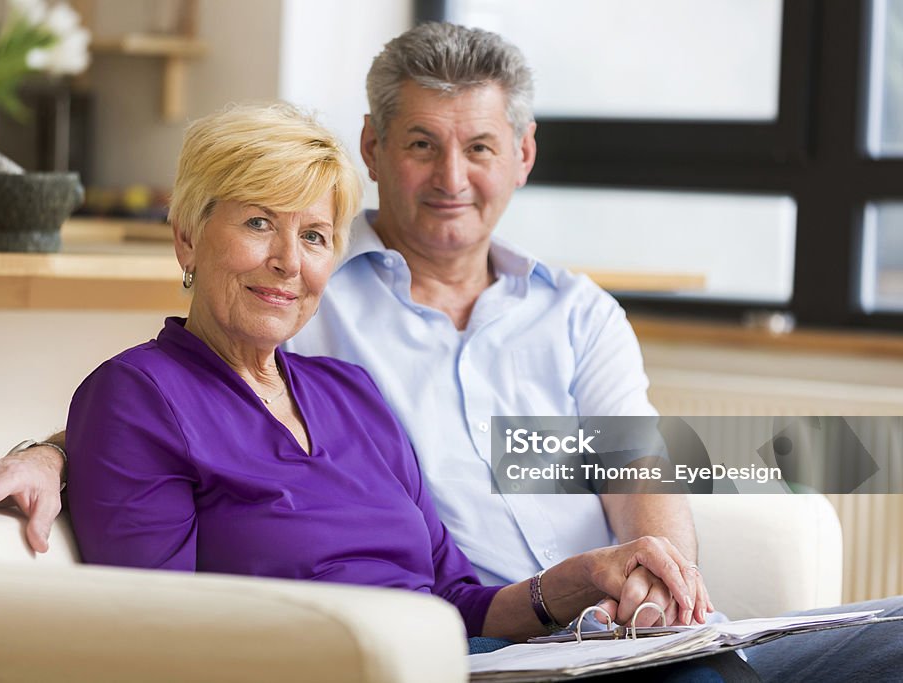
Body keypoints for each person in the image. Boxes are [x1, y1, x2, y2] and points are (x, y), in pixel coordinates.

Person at [0, 22, 900, 680]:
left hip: (584, 640)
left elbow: (625, 464)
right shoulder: (327, 302)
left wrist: (652, 585)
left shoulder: (561, 317)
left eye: (477, 147)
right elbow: (172, 410)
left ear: (521, 156)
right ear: (374, 149)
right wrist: (58, 450)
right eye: (420, 144)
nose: (449, 177)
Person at [60, 102, 710, 654]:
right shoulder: (138, 397)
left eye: (314, 235)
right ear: (187, 239)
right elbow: (156, 640)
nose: (289, 261)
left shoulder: (350, 393)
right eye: (259, 222)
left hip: (465, 662)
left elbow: (457, 600)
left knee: (801, 654)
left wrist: (582, 577)